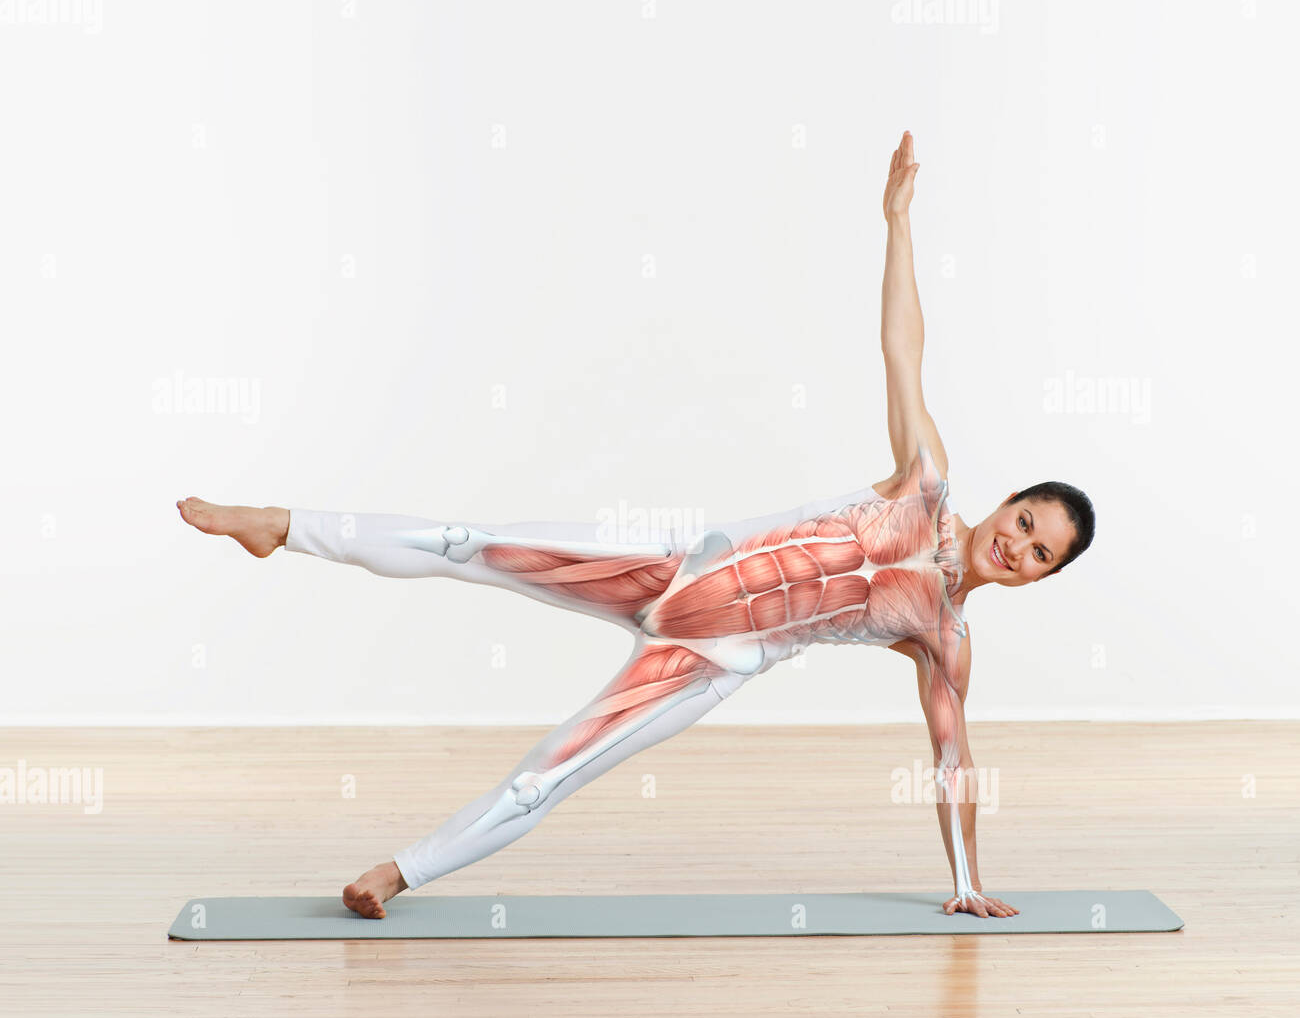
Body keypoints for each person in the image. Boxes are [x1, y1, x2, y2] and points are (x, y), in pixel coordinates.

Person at [177, 131, 1094, 920]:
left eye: (1037, 553)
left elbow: (952, 757)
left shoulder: (946, 637)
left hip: (710, 660)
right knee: (472, 545)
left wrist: (969, 879)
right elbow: (903, 350)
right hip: (672, 568)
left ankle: (398, 871)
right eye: (1024, 521)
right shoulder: (924, 482)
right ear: (1010, 501)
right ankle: (277, 524)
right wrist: (896, 224)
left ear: (1038, 579)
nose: (1015, 544)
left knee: (554, 772)